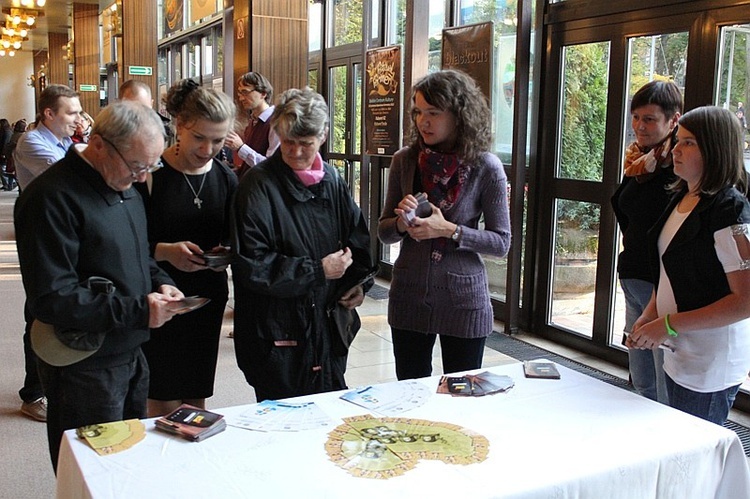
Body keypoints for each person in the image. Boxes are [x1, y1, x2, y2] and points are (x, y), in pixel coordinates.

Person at [14, 101, 184, 472]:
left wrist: (162, 283)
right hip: (83, 364)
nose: (142, 177)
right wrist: (140, 310)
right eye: (137, 165)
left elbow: (139, 257)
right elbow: (51, 298)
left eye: (149, 166)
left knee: (127, 463)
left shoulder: (123, 183)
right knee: (91, 471)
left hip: (131, 350)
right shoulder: (50, 197)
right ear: (100, 144)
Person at [231, 87, 374, 401]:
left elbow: (357, 243)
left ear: (323, 136)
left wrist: (357, 285)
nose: (295, 152)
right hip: (276, 335)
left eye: (305, 144)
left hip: (328, 329)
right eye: (288, 142)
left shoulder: (332, 181)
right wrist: (317, 271)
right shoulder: (257, 186)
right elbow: (251, 265)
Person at [377, 69, 511, 380]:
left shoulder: (485, 166)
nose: (423, 121)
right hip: (410, 295)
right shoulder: (405, 160)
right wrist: (401, 222)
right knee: (410, 394)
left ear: (459, 115)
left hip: (463, 300)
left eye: (433, 113)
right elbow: (384, 231)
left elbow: (501, 243)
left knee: (461, 397)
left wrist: (450, 230)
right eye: (418, 112)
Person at [627, 106, 750, 426]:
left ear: (715, 148)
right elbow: (669, 271)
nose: (676, 149)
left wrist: (667, 324)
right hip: (680, 351)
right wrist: (650, 313)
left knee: (692, 460)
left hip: (708, 361)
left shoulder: (729, 209)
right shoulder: (683, 194)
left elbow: (744, 301)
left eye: (689, 142)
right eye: (678, 140)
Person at [135, 79, 238, 417]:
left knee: (196, 393)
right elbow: (126, 245)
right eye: (199, 138)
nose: (208, 149)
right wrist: (165, 251)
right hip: (159, 295)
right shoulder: (150, 176)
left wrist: (224, 255)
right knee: (161, 394)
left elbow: (235, 238)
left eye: (218, 140)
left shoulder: (226, 178)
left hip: (207, 297)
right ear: (180, 125)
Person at [14, 85, 83, 423]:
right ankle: (33, 394)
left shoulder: (68, 143)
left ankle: (56, 380)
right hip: (39, 238)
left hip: (62, 234)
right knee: (38, 313)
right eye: (71, 113)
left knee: (61, 309)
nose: (78, 118)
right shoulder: (32, 143)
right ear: (49, 114)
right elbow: (69, 175)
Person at [611, 80, 682, 404]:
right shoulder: (637, 161)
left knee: (664, 383)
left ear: (673, 120)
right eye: (636, 117)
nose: (639, 126)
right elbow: (625, 209)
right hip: (633, 277)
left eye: (649, 119)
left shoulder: (679, 167)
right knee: (641, 378)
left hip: (662, 284)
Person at [224, 71, 280, 178]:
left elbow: (272, 167)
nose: (241, 98)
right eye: (240, 93)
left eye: (245, 92)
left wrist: (240, 147)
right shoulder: (252, 121)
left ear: (263, 93)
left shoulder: (275, 122)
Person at [0, 118, 12, 190]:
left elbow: (5, 143)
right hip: (3, 152)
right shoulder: (5, 131)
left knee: (3, 169)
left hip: (3, 153)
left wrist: (3, 153)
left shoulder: (6, 132)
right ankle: (6, 184)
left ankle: (7, 184)